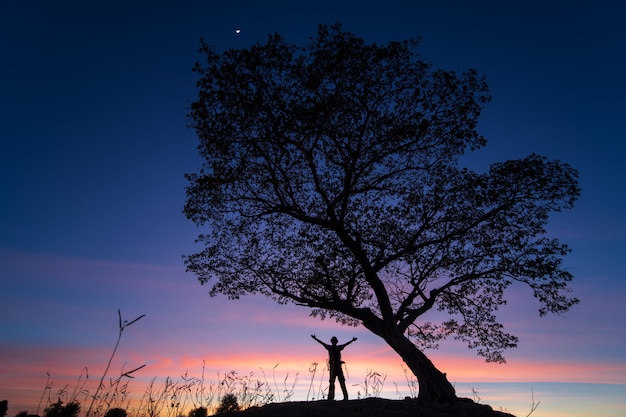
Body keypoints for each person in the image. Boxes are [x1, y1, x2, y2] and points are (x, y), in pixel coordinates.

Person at [311, 334, 357, 401]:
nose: (334, 343)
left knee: (338, 382)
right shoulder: (335, 348)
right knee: (335, 382)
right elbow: (346, 344)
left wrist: (352, 340)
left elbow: (322, 343)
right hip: (334, 367)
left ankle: (337, 397)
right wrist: (352, 340)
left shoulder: (332, 348)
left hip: (336, 367)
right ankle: (334, 398)